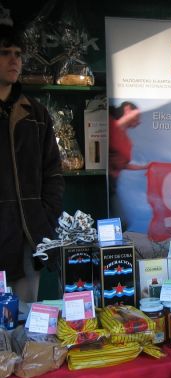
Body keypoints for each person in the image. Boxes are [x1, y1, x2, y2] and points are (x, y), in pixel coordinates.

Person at [0, 25, 64, 303]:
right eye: (4, 53)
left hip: (29, 234)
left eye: (18, 54)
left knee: (27, 321)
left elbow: (53, 171)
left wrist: (45, 214)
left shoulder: (36, 114)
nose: (14, 60)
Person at [109, 101, 147, 227]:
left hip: (114, 184)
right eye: (136, 115)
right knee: (119, 222)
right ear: (127, 109)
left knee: (122, 222)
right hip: (105, 181)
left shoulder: (125, 138)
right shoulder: (111, 125)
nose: (139, 120)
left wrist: (144, 167)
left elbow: (123, 164)